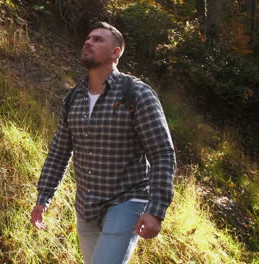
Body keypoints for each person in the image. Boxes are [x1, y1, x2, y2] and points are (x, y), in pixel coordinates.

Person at [30, 22, 176, 264]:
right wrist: (43, 197)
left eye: (98, 39)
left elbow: (162, 153)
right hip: (86, 207)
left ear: (115, 52)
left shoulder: (136, 94)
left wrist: (156, 210)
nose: (88, 42)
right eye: (88, 38)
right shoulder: (73, 99)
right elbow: (59, 152)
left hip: (126, 201)